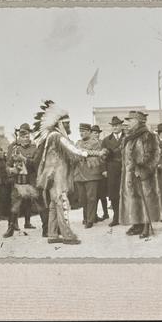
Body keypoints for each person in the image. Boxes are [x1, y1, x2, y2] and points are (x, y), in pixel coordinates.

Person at [33, 100, 102, 245]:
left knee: (53, 206)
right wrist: (97, 153)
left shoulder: (52, 136)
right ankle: (67, 235)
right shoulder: (57, 137)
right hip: (58, 178)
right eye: (66, 123)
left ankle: (52, 234)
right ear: (59, 124)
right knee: (62, 204)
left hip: (53, 176)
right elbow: (75, 151)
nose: (69, 126)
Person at [119, 111, 161, 239]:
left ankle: (146, 225)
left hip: (142, 173)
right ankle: (137, 223)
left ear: (138, 121)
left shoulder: (147, 136)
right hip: (130, 173)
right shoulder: (129, 137)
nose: (128, 123)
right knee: (133, 198)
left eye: (130, 120)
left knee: (145, 199)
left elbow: (154, 155)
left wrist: (144, 169)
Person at [3, 123, 49, 238]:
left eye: (27, 136)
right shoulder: (14, 149)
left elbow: (36, 164)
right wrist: (11, 169)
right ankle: (10, 228)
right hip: (18, 182)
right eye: (23, 137)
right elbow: (7, 165)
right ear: (19, 138)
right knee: (14, 206)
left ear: (30, 137)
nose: (25, 139)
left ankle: (46, 229)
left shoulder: (35, 148)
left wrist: (23, 159)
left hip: (32, 182)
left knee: (40, 205)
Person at [74, 123, 104, 229]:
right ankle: (86, 217)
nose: (81, 133)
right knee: (82, 198)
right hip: (79, 174)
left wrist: (85, 153)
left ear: (89, 132)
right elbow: (75, 154)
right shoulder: (77, 143)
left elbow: (100, 155)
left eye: (84, 131)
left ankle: (90, 219)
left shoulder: (95, 142)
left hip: (91, 174)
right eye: (80, 131)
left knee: (91, 197)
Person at [101, 116, 125, 227]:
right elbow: (102, 157)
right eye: (113, 126)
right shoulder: (106, 140)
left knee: (126, 192)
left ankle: (127, 216)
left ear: (121, 126)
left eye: (117, 125)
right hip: (112, 169)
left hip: (125, 168)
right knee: (114, 194)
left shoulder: (128, 137)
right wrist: (104, 170)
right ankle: (116, 217)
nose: (115, 127)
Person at [91, 124, 109, 222]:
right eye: (94, 133)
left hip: (102, 171)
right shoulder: (89, 144)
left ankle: (105, 213)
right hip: (93, 172)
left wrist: (104, 169)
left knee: (102, 194)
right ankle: (93, 215)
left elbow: (105, 157)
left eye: (97, 133)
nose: (96, 135)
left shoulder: (102, 143)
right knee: (94, 195)